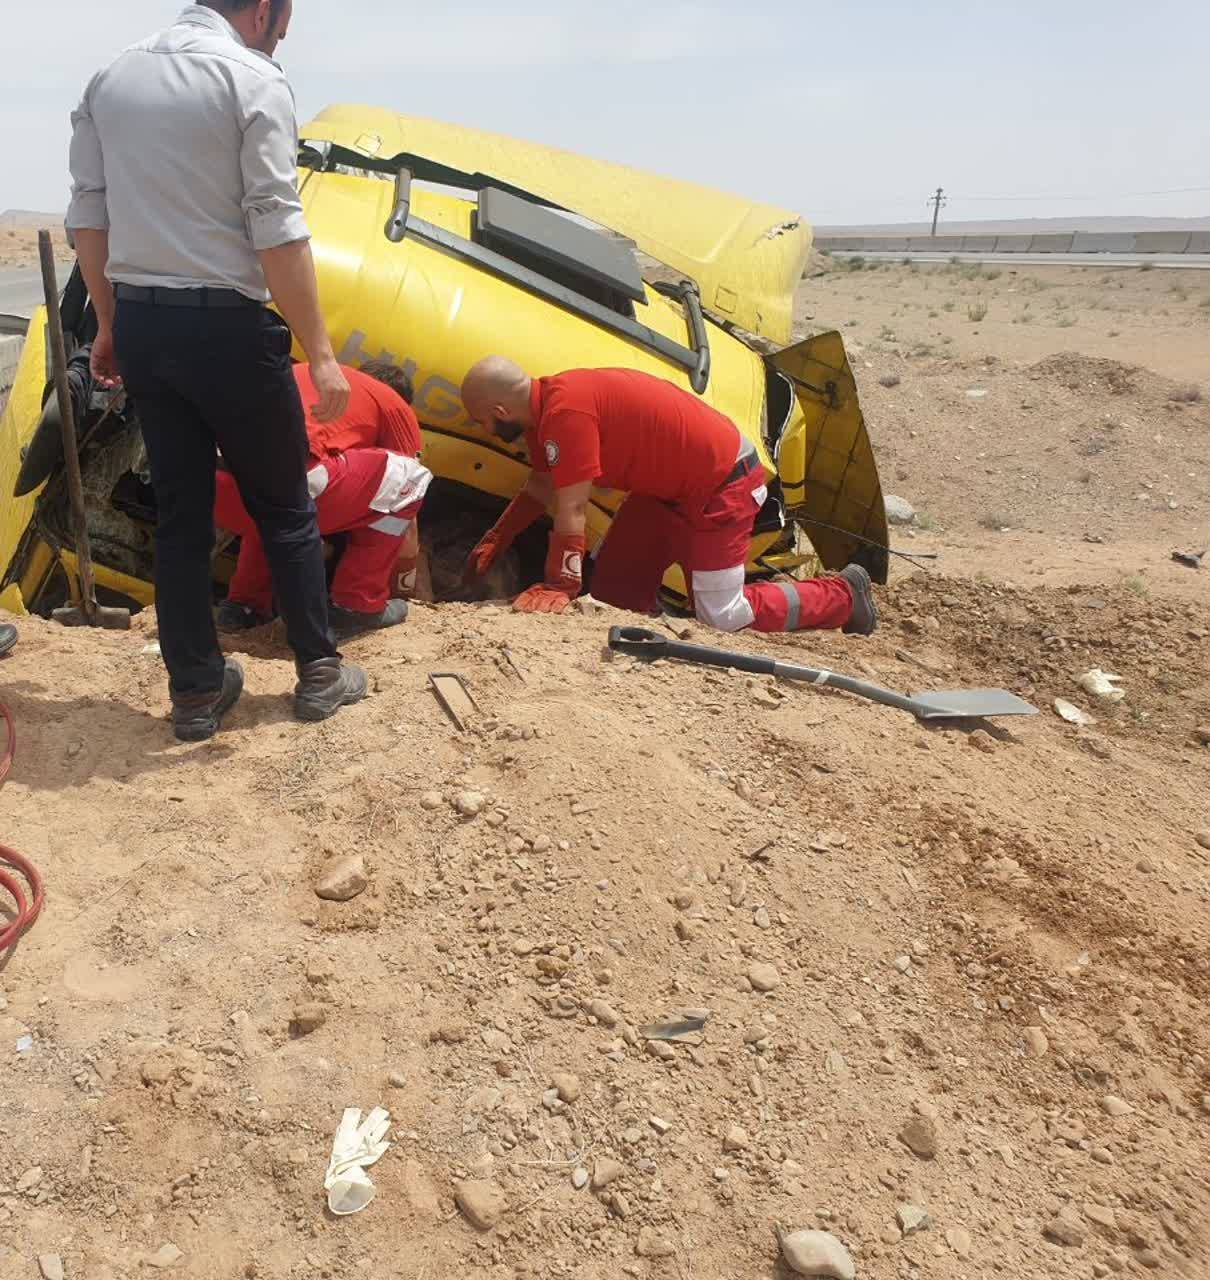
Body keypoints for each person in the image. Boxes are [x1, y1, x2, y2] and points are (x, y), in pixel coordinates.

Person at [65, 0, 366, 743]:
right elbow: (277, 225)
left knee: (180, 516)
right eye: (283, 24)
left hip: (143, 324)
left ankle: (196, 693)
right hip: (228, 329)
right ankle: (319, 673)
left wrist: (107, 324)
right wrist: (321, 354)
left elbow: (87, 216)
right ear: (263, 9)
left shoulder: (111, 78)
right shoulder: (252, 79)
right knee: (284, 505)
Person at [460, 359, 878, 636]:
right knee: (612, 596)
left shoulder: (566, 414)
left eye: (482, 421)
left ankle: (842, 594)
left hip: (721, 485)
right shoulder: (545, 414)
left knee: (722, 616)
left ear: (500, 412)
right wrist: (500, 535)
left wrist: (560, 583)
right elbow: (542, 486)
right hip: (665, 494)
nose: (483, 430)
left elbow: (571, 506)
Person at [213, 359, 432, 639]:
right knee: (411, 478)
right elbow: (405, 510)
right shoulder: (394, 405)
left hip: (213, 484)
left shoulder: (305, 371)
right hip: (287, 489)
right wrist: (405, 593)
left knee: (276, 498)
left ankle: (243, 606)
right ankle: (358, 606)